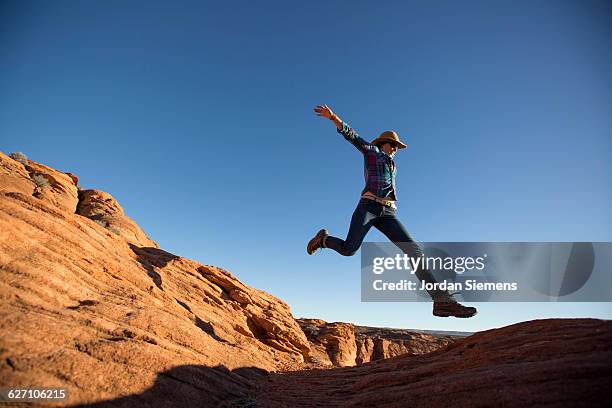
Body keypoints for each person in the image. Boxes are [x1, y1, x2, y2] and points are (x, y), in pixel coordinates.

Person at [307, 104, 477, 318]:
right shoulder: (372, 153)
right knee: (349, 250)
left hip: (388, 213)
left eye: (397, 146)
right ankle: (323, 240)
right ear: (383, 144)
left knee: (414, 250)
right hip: (368, 207)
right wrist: (333, 118)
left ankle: (442, 301)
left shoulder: (393, 165)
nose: (396, 148)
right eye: (393, 145)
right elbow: (353, 136)